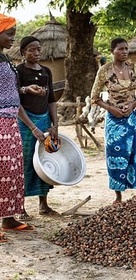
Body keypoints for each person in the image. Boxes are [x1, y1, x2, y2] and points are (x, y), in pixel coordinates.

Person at [90, 37, 136, 204]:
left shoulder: (134, 69)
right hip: (114, 121)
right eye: (120, 49)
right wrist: (112, 109)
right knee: (116, 155)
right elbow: (94, 97)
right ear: (112, 51)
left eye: (126, 49)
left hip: (134, 120)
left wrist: (133, 105)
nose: (124, 52)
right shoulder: (104, 71)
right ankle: (118, 196)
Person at [16, 36, 59, 220]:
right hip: (26, 123)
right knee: (25, 162)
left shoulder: (46, 72)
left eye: (38, 49)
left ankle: (43, 204)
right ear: (23, 53)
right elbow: (15, 102)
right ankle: (20, 207)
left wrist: (55, 124)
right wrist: (32, 127)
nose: (36, 53)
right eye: (31, 50)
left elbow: (51, 100)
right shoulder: (18, 71)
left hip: (44, 121)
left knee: (44, 161)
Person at [0, 14, 35, 242]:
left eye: (14, 34)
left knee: (12, 172)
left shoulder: (4, 59)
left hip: (11, 121)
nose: (13, 38)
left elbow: (11, 95)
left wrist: (32, 127)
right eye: (9, 34)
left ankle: (8, 218)